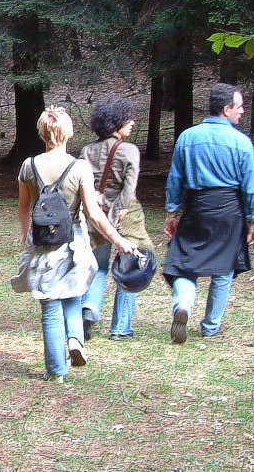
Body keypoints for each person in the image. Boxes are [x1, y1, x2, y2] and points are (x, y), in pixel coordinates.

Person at [10, 106, 137, 383]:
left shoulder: (28, 165)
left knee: (50, 306)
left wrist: (25, 235)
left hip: (42, 241)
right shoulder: (79, 167)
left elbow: (23, 206)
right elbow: (93, 213)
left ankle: (56, 371)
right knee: (73, 292)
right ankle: (76, 339)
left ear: (42, 132)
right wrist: (118, 239)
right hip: (74, 242)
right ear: (67, 133)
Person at [162, 83, 254, 343]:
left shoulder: (187, 137)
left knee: (184, 263)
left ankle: (182, 305)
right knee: (224, 268)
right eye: (239, 107)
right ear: (226, 108)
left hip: (197, 208)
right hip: (230, 211)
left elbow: (175, 178)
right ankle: (210, 326)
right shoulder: (242, 142)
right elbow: (250, 186)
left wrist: (173, 212)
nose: (242, 112)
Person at [78, 97, 155, 341]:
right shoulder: (129, 150)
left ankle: (89, 309)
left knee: (98, 266)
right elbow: (129, 188)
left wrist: (100, 212)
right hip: (126, 215)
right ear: (115, 122)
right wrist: (118, 212)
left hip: (95, 213)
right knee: (131, 265)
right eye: (128, 118)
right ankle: (121, 328)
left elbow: (83, 187)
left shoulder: (86, 151)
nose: (132, 122)